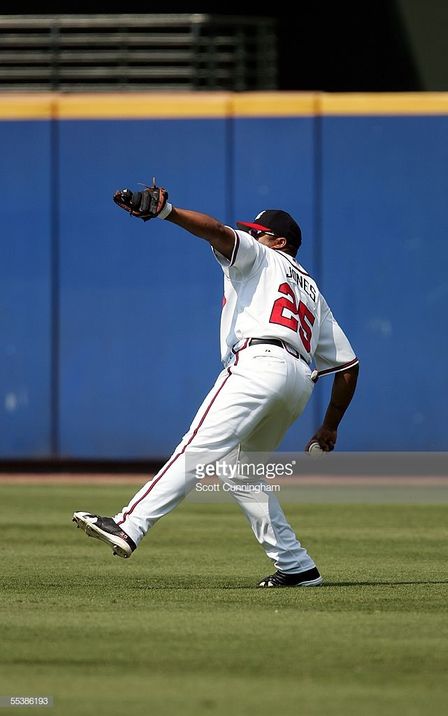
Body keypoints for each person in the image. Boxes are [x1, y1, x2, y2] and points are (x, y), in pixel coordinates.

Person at [73, 187, 359, 588]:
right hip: (298, 382)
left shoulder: (263, 256)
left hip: (259, 364)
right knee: (239, 471)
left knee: (196, 447)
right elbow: (348, 367)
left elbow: (217, 232)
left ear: (280, 242)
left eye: (259, 232)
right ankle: (297, 566)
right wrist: (330, 426)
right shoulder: (314, 295)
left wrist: (167, 212)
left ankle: (128, 524)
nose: (252, 236)